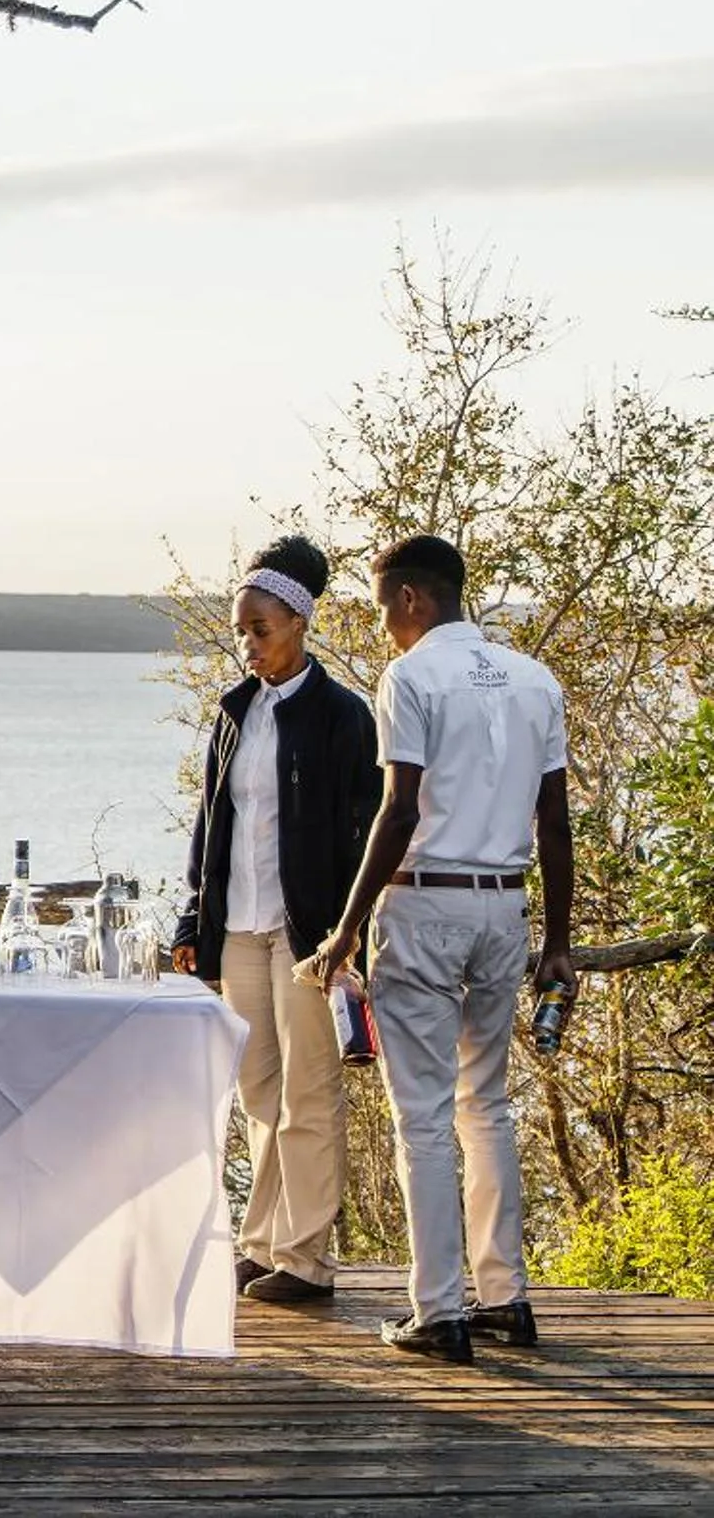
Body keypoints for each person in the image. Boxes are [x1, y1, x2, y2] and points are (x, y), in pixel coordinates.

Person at [307, 533, 572, 1364]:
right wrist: (557, 941)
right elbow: (553, 822)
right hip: (505, 908)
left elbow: (398, 810)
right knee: (484, 1105)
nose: (383, 623)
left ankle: (437, 1311)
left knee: (420, 1115)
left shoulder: (411, 676)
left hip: (426, 905)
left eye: (383, 606)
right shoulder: (534, 681)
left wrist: (346, 927)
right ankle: (504, 1296)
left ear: (412, 599)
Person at [169, 536, 381, 1306]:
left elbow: (365, 831)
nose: (247, 643)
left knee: (310, 1096)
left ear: (297, 621)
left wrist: (346, 937)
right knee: (257, 1092)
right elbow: (208, 825)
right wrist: (193, 919)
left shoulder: (343, 717)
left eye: (259, 628)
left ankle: (306, 1259)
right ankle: (261, 1244)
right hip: (239, 928)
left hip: (310, 937)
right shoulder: (234, 714)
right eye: (239, 630)